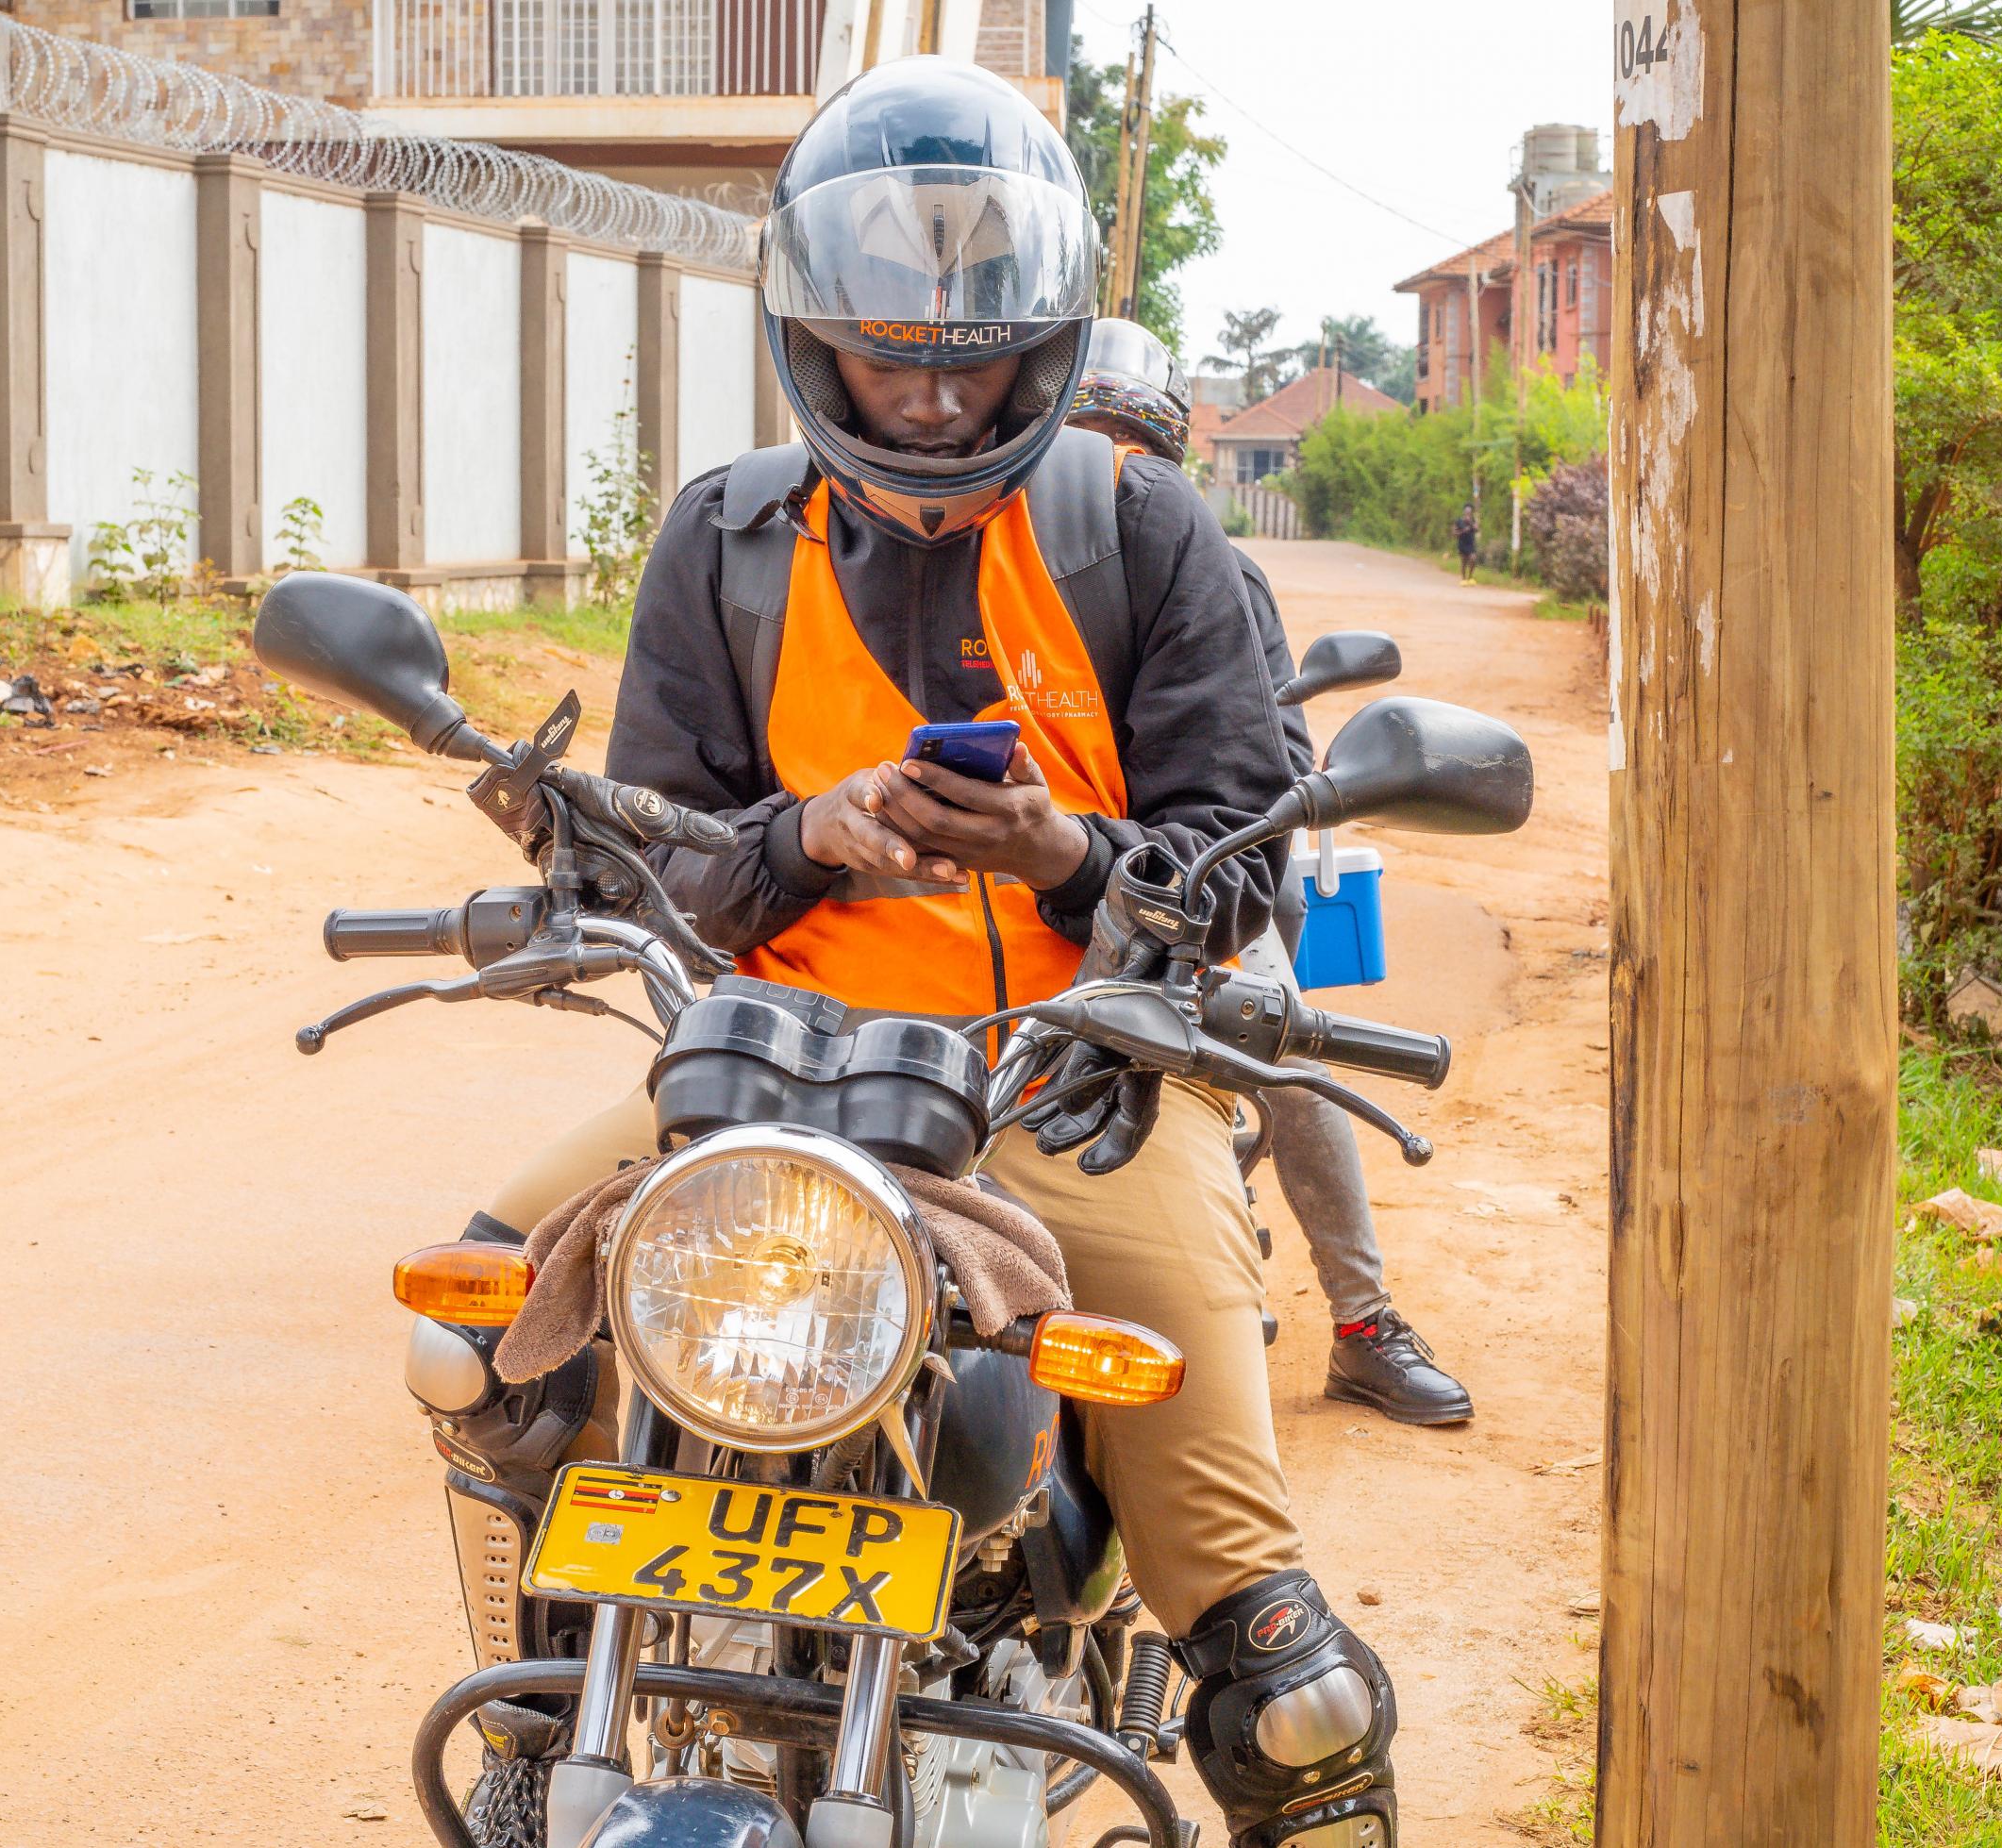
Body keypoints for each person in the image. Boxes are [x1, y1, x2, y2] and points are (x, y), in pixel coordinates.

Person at [484, 60, 1401, 1848]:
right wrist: (804, 831)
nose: (923, 393)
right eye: (885, 352)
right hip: (770, 1075)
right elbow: (670, 855)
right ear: (810, 341)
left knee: (1276, 1666)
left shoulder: (1142, 531)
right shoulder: (726, 534)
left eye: (965, 355)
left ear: (1040, 340)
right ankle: (549, 1692)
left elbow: (1240, 855)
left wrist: (1064, 852)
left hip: (1073, 1083)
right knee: (484, 1319)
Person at [1067, 319, 1475, 1426]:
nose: (1107, 474)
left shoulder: (1211, 569)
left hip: (1186, 885)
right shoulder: (998, 562)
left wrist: (1194, 866)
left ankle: (1361, 1319)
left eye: (1124, 448)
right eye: (1080, 445)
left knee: (1290, 1056)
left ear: (1160, 457)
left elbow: (1273, 759)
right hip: (1027, 880)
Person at [1453, 499, 1480, 583]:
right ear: (1464, 511)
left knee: (1473, 559)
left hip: (1471, 544)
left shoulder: (1473, 520)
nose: (1468, 513)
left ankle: (1470, 577)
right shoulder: (1459, 521)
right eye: (1467, 511)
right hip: (1462, 544)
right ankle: (1464, 579)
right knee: (1464, 562)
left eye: (1469, 512)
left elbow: (1477, 529)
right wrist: (1463, 531)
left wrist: (1471, 523)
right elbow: (1454, 533)